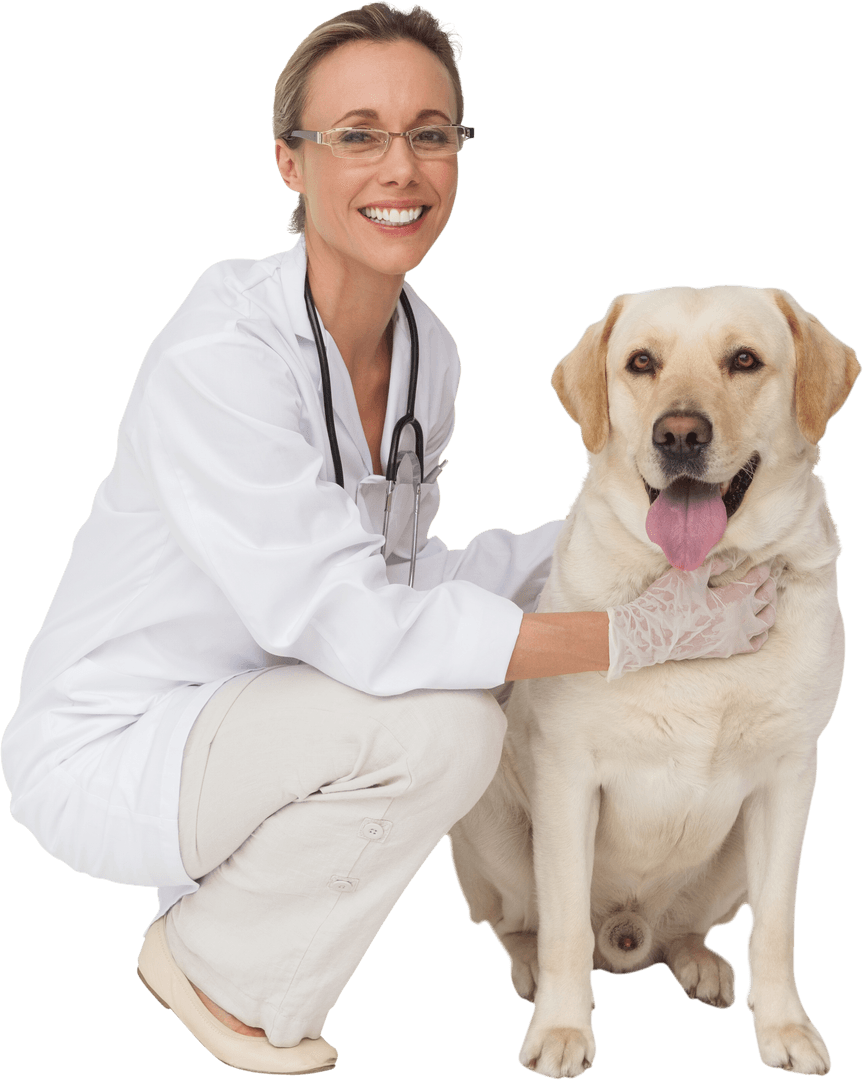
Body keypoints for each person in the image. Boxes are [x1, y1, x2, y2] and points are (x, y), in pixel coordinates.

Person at [0, 3, 775, 1075]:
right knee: (445, 725)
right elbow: (356, 624)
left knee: (449, 701)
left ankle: (233, 946)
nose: (399, 167)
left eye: (430, 133)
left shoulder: (427, 355)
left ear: (458, 153)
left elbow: (406, 576)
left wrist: (617, 537)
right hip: (124, 747)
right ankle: (214, 967)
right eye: (356, 134)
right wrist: (629, 634)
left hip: (274, 722)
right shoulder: (221, 351)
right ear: (290, 160)